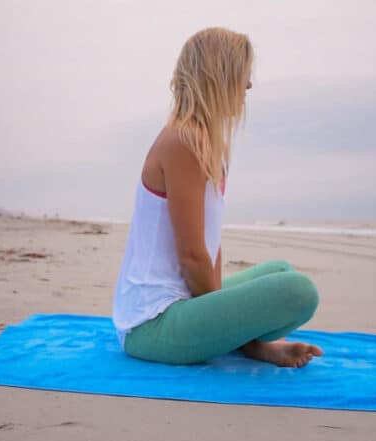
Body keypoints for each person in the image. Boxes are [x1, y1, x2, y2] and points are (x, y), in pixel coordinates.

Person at [112, 27, 323, 368]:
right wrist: (229, 322)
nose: (249, 84)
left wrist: (223, 314)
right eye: (243, 72)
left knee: (281, 271)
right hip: (151, 324)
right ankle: (251, 345)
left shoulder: (211, 145)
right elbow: (193, 257)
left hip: (182, 303)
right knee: (299, 292)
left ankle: (249, 343)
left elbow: (210, 246)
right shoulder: (183, 141)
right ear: (219, 75)